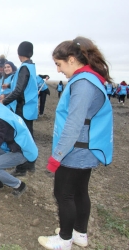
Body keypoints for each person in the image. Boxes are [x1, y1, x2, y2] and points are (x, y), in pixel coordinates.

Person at [38, 36, 113, 250]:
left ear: (71, 59)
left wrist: (57, 156)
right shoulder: (90, 79)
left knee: (63, 193)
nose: (59, 70)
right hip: (84, 149)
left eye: (59, 64)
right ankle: (79, 234)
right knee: (80, 192)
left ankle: (64, 240)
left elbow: (73, 124)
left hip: (75, 150)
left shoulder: (82, 83)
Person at [2, 41, 38, 176]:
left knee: (22, 137)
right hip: (30, 106)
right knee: (28, 136)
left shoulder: (24, 68)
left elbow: (18, 90)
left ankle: (22, 168)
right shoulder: (31, 66)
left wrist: (3, 102)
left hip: (23, 107)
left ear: (19, 54)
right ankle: (30, 165)